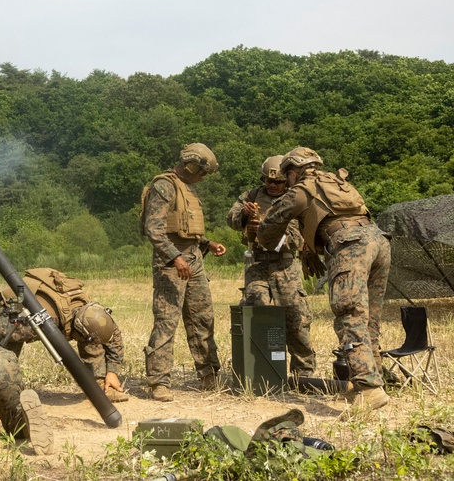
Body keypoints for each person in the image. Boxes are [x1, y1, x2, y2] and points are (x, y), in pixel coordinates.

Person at [257, 147, 391, 410]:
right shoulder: (338, 182)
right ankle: (370, 381)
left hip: (350, 245)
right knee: (369, 318)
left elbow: (268, 230)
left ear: (293, 173)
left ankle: (368, 388)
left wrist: (269, 238)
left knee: (349, 314)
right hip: (379, 242)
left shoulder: (300, 190)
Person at [140, 143, 226, 402]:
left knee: (202, 318)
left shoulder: (188, 188)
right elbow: (153, 229)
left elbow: (185, 228)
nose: (203, 177)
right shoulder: (164, 186)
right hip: (171, 263)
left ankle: (209, 374)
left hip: (194, 259)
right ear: (190, 166)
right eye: (202, 172)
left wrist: (206, 243)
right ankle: (159, 382)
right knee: (167, 321)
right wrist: (175, 257)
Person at [0, 268, 128, 402]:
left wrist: (112, 372)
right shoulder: (36, 324)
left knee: (93, 337)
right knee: (5, 355)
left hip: (52, 305)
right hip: (11, 304)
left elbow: (113, 336)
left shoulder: (94, 315)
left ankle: (100, 385)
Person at [227, 155, 316, 377]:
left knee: (295, 318)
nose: (272, 185)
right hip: (257, 263)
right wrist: (245, 216)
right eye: (268, 180)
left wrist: (267, 234)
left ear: (287, 180)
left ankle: (303, 374)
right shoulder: (251, 196)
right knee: (257, 313)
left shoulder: (295, 199)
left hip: (285, 265)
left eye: (277, 182)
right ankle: (262, 371)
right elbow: (231, 219)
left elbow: (298, 237)